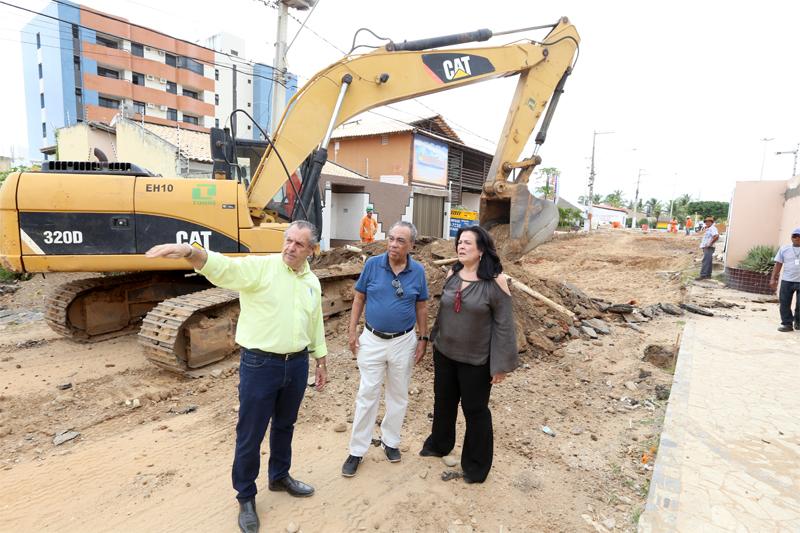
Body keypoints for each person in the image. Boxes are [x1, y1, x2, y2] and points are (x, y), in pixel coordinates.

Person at [145, 220, 328, 533]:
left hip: (297, 363)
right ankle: (245, 496)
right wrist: (191, 252)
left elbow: (315, 321)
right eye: (288, 240)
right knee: (250, 433)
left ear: (312, 250)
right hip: (260, 365)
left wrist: (320, 358)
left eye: (299, 244)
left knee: (285, 425)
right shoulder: (260, 268)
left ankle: (279, 476)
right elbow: (224, 269)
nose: (290, 247)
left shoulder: (311, 281)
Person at [419, 225, 518, 483]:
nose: (461, 247)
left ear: (481, 249)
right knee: (443, 401)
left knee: (475, 411)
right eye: (459, 242)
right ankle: (440, 443)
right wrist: (433, 340)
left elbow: (504, 326)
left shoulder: (496, 281)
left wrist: (500, 365)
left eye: (467, 243)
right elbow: (443, 312)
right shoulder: (453, 273)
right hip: (445, 353)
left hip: (476, 361)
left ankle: (476, 465)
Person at [341, 221, 429, 477]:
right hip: (372, 340)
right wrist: (352, 330)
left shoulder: (418, 271)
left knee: (398, 394)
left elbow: (422, 306)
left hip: (403, 341)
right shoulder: (372, 265)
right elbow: (359, 297)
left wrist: (423, 338)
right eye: (391, 238)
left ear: (411, 245)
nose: (393, 244)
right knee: (367, 393)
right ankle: (357, 450)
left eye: (400, 240)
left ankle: (390, 441)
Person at [769, 227, 800, 332]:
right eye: (794, 235)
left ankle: (798, 322)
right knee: (784, 303)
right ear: (791, 237)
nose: (796, 238)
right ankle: (787, 324)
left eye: (799, 236)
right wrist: (773, 278)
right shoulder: (784, 249)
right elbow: (778, 264)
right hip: (787, 281)